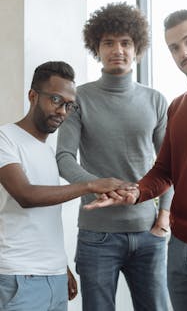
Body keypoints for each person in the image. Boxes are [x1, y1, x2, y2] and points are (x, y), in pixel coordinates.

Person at [85, 9, 187, 311]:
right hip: (178, 249)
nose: (184, 52)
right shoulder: (178, 105)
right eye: (175, 47)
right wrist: (136, 192)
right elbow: (165, 171)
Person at [56, 2, 173, 311]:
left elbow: (169, 164)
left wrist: (164, 217)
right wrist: (98, 184)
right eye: (108, 42)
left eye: (125, 42)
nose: (117, 49)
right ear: (97, 47)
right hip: (98, 236)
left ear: (137, 47)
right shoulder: (79, 98)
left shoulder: (156, 100)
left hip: (149, 233)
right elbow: (65, 157)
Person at [0, 61, 134, 311]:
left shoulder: (48, 151)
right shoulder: (5, 138)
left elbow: (44, 221)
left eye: (69, 105)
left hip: (54, 278)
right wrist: (89, 185)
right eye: (55, 100)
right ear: (32, 96)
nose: (62, 111)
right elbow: (26, 195)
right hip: (18, 277)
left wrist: (61, 266)